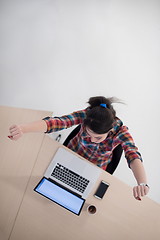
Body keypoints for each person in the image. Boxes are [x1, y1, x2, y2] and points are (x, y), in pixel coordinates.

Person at [8, 96, 149, 200]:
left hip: (93, 168)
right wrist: (23, 128)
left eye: (98, 138)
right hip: (70, 155)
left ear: (110, 129)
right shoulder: (86, 115)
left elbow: (133, 155)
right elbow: (57, 122)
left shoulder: (121, 132)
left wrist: (142, 183)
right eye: (88, 134)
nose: (93, 140)